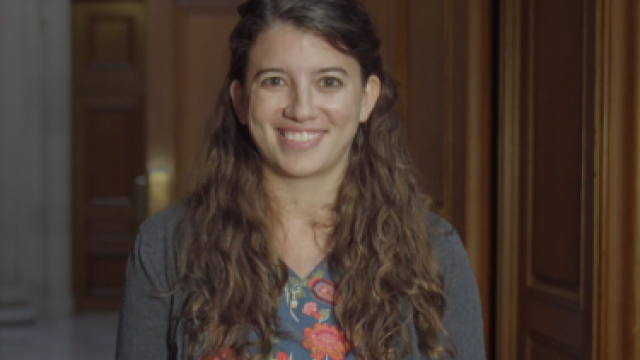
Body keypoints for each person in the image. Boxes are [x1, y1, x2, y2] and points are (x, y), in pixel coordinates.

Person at [116, 1, 486, 360]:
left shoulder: (436, 255)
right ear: (242, 100)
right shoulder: (164, 248)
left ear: (367, 98)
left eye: (329, 81)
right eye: (275, 81)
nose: (301, 109)